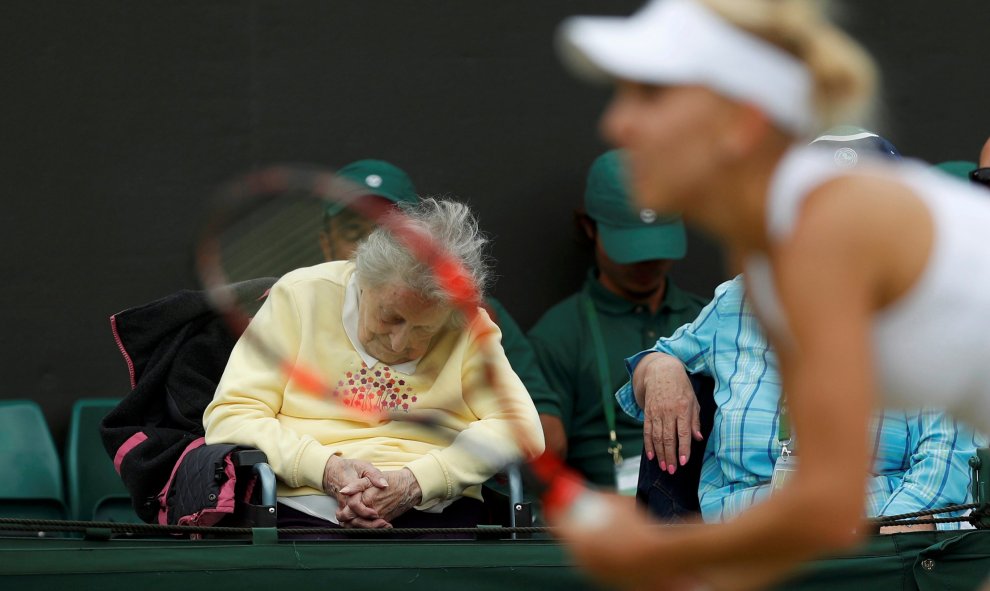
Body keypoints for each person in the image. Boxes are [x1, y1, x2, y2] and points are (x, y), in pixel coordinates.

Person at [550, 0, 990, 588]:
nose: (618, 125)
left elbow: (827, 508)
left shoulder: (823, 232)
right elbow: (822, 498)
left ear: (742, 122)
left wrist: (656, 554)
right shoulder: (772, 257)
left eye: (651, 96)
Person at [204, 198, 545, 532]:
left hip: (439, 518)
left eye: (425, 329)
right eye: (390, 317)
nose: (400, 343)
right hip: (303, 514)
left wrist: (417, 482)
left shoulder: (467, 325)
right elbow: (232, 414)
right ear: (362, 282)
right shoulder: (301, 296)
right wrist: (324, 468)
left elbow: (521, 428)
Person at [617, 276, 979, 531]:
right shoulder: (740, 299)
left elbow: (944, 463)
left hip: (862, 548)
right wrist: (660, 368)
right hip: (735, 550)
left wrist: (882, 548)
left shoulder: (923, 319)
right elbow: (657, 359)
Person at [322, 160, 558, 455]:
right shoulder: (297, 303)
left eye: (388, 234)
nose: (372, 247)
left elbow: (545, 434)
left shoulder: (473, 316)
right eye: (355, 232)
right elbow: (251, 409)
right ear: (326, 242)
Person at [528, 150, 708, 492]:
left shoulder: (709, 320)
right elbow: (541, 469)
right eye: (631, 247)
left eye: (658, 247)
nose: (648, 262)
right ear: (588, 228)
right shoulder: (559, 334)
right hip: (609, 519)